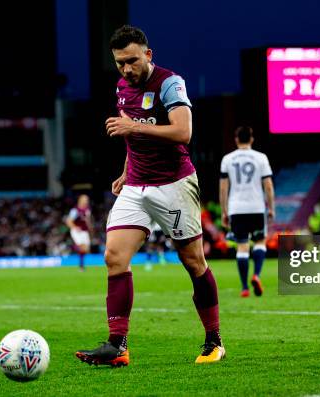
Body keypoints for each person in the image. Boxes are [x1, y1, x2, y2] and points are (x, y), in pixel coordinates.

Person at [75, 25, 224, 366]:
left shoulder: (170, 83)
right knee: (114, 257)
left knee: (193, 262)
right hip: (136, 186)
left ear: (148, 54)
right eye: (119, 63)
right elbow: (133, 135)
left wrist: (134, 128)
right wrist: (127, 170)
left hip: (173, 185)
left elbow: (183, 132)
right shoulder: (122, 87)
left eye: (131, 61)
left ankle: (214, 341)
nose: (126, 69)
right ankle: (117, 346)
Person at [219, 126, 275, 297]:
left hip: (237, 208)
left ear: (236, 139)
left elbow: (223, 187)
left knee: (242, 247)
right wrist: (271, 208)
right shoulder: (261, 158)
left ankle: (244, 287)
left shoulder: (227, 159)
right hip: (257, 207)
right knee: (260, 242)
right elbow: (268, 186)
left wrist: (224, 211)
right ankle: (256, 275)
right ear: (251, 139)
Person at [66, 194, 93, 271]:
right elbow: (68, 221)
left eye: (87, 200)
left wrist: (90, 227)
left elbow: (87, 220)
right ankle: (70, 247)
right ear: (80, 200)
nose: (87, 201)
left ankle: (81, 266)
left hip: (84, 231)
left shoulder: (87, 210)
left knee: (86, 249)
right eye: (85, 199)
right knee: (81, 247)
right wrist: (75, 227)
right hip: (77, 231)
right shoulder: (75, 210)